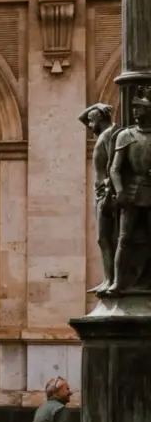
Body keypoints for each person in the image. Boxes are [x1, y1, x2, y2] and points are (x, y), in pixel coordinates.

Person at [110, 97, 151, 291]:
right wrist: (119, 191)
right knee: (124, 238)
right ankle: (118, 281)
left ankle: (145, 279)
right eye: (134, 108)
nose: (135, 111)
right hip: (131, 194)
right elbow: (114, 169)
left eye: (140, 108)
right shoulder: (126, 135)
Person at [83, 102, 117, 292]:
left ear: (100, 119)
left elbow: (115, 164)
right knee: (103, 238)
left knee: (106, 238)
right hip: (101, 193)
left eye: (91, 121)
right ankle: (109, 279)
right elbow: (81, 117)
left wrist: (107, 187)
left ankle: (110, 279)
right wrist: (96, 105)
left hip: (105, 193)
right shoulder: (104, 133)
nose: (88, 125)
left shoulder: (109, 135)